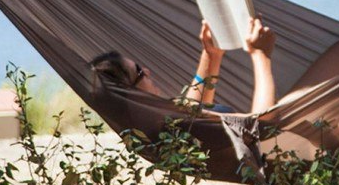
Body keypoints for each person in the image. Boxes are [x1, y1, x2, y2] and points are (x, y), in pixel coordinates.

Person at [89, 14, 278, 115]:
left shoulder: (155, 120)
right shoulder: (164, 126)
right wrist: (261, 57)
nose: (147, 70)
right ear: (130, 93)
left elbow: (192, 108)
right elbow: (261, 129)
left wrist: (211, 54)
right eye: (138, 72)